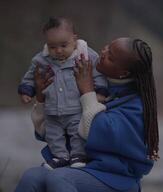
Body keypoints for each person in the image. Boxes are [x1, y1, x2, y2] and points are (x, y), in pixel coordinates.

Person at [11, 37, 159, 192]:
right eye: (107, 47)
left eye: (111, 57)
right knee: (32, 177)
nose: (103, 53)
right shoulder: (93, 82)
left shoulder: (136, 105)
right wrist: (41, 97)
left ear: (124, 73)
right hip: (80, 166)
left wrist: (87, 91)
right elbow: (53, 130)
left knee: (59, 178)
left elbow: (95, 132)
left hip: (117, 180)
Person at [18, 17, 107, 169]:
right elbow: (30, 76)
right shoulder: (41, 59)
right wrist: (27, 90)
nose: (58, 51)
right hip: (51, 110)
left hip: (76, 109)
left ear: (74, 39)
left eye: (63, 45)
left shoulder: (86, 55)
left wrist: (100, 91)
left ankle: (78, 155)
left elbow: (97, 73)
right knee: (53, 135)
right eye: (52, 47)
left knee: (77, 133)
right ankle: (60, 156)